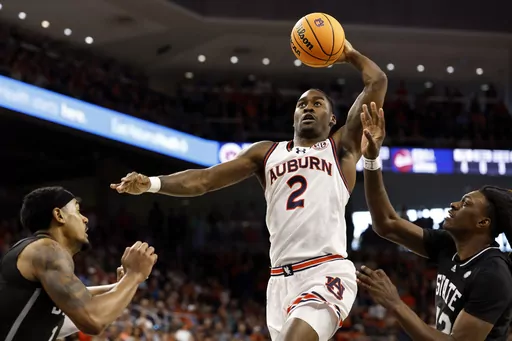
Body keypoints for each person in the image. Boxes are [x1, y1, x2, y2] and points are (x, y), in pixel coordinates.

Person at [110, 40, 387, 341]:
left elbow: (377, 81)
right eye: (301, 104)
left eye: (317, 103)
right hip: (279, 280)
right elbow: (204, 180)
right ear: (293, 117)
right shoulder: (265, 153)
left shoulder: (341, 148)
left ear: (332, 119)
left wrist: (348, 55)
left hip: (326, 270)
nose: (308, 107)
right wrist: (151, 183)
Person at [355, 103, 512, 341]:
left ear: (483, 223)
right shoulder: (449, 245)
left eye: (466, 203)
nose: (454, 205)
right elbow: (386, 223)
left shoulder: (492, 273)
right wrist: (371, 159)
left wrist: (395, 304)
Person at [0, 186, 158, 341]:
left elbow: (78, 296)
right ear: (59, 215)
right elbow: (94, 320)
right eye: (77, 210)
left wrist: (121, 285)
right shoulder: (47, 250)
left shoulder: (37, 254)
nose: (85, 218)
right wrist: (134, 275)